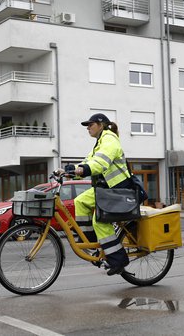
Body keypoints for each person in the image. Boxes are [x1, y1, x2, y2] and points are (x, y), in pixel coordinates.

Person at [61, 113, 133, 275]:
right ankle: (92, 243)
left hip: (118, 189)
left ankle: (118, 260)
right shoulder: (100, 142)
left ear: (101, 125)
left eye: (90, 124)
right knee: (80, 201)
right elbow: (88, 162)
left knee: (99, 221)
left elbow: (100, 162)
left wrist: (84, 169)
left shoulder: (109, 139)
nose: (88, 128)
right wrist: (70, 171)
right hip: (105, 189)